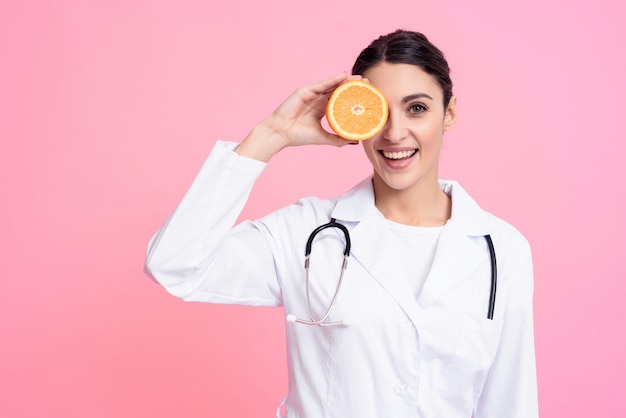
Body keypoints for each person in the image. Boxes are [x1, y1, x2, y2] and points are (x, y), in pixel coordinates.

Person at [145, 29, 538, 418]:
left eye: (416, 108)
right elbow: (175, 265)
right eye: (379, 111)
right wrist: (270, 135)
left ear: (448, 114)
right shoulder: (306, 233)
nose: (394, 133)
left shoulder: (501, 249)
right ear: (357, 116)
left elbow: (509, 401)